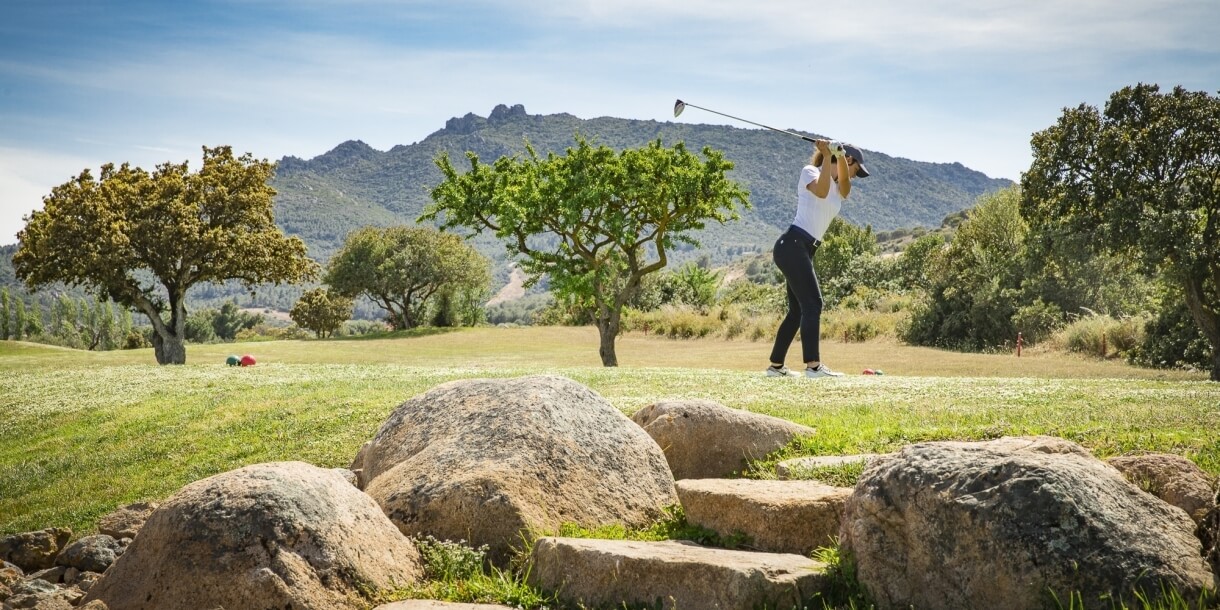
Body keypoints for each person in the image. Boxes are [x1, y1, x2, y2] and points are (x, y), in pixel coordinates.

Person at [766, 139, 869, 378]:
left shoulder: (841, 188)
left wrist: (838, 155)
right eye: (856, 169)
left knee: (797, 312)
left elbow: (843, 184)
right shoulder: (810, 172)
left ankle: (776, 367)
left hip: (805, 249)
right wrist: (825, 155)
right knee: (813, 304)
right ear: (851, 161)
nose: (854, 175)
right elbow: (820, 192)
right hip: (792, 244)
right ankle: (813, 366)